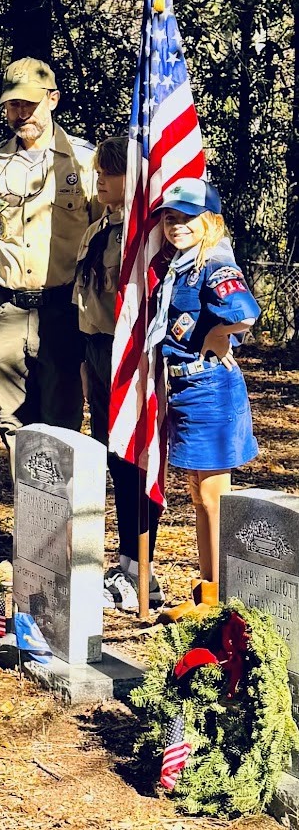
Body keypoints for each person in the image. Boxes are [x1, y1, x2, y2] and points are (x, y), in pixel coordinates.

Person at [0, 58, 98, 470]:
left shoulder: (82, 161)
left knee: (62, 417)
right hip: (9, 309)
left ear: (52, 99)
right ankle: (30, 510)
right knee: (11, 418)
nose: (21, 113)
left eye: (29, 103)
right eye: (12, 105)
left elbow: (102, 231)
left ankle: (63, 520)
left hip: (62, 309)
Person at [145, 180, 260, 622]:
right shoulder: (180, 265)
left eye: (188, 217)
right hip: (186, 391)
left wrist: (217, 332)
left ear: (210, 220)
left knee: (212, 497)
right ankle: (208, 590)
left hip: (210, 390)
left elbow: (245, 312)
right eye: (170, 217)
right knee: (198, 494)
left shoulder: (213, 265)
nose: (177, 225)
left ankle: (220, 600)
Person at [73, 137, 164, 612]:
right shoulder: (97, 232)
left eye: (111, 173)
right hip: (98, 357)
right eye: (101, 172)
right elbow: (87, 307)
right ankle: (128, 560)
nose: (101, 181)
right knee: (114, 461)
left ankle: (140, 565)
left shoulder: (144, 239)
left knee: (136, 464)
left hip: (130, 360)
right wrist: (89, 373)